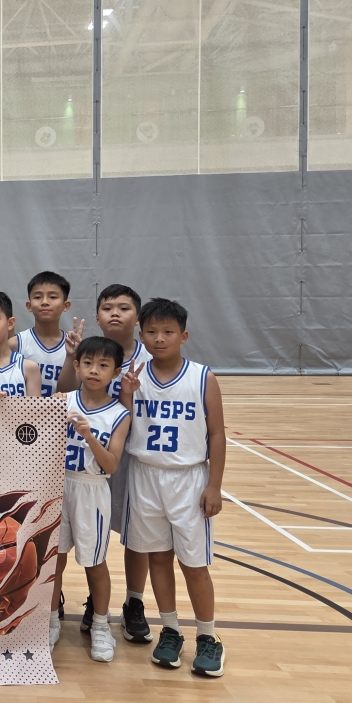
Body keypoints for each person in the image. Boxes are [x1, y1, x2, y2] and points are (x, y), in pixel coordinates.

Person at [118, 298, 227, 677]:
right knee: (158, 558)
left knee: (193, 564)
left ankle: (209, 637)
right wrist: (126, 393)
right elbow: (122, 421)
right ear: (141, 334)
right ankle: (170, 629)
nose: (159, 338)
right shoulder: (134, 376)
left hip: (188, 479)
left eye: (168, 332)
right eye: (151, 332)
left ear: (184, 335)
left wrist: (215, 485)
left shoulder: (202, 377)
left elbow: (217, 433)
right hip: (145, 475)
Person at [60, 283, 155, 643]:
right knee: (67, 549)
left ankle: (133, 602)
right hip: (76, 469)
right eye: (107, 307)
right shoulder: (84, 358)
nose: (115, 313)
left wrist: (126, 398)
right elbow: (61, 392)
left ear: (137, 317)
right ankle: (77, 608)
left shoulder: (149, 355)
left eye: (124, 307)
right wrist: (71, 356)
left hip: (130, 455)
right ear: (97, 315)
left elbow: (126, 419)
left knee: (133, 534)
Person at [49, 336, 131, 664]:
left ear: (115, 372)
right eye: (88, 363)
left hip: (92, 489)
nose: (94, 370)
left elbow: (111, 465)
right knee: (54, 560)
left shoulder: (120, 415)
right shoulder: (62, 401)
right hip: (57, 486)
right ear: (77, 365)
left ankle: (100, 626)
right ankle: (50, 621)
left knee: (95, 563)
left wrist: (89, 437)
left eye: (103, 365)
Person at [15, 271, 72, 397]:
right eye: (37, 297)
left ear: (65, 305)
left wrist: (72, 356)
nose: (45, 302)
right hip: (25, 409)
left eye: (53, 297)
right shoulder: (16, 344)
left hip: (63, 409)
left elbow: (73, 391)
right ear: (29, 306)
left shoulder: (74, 346)